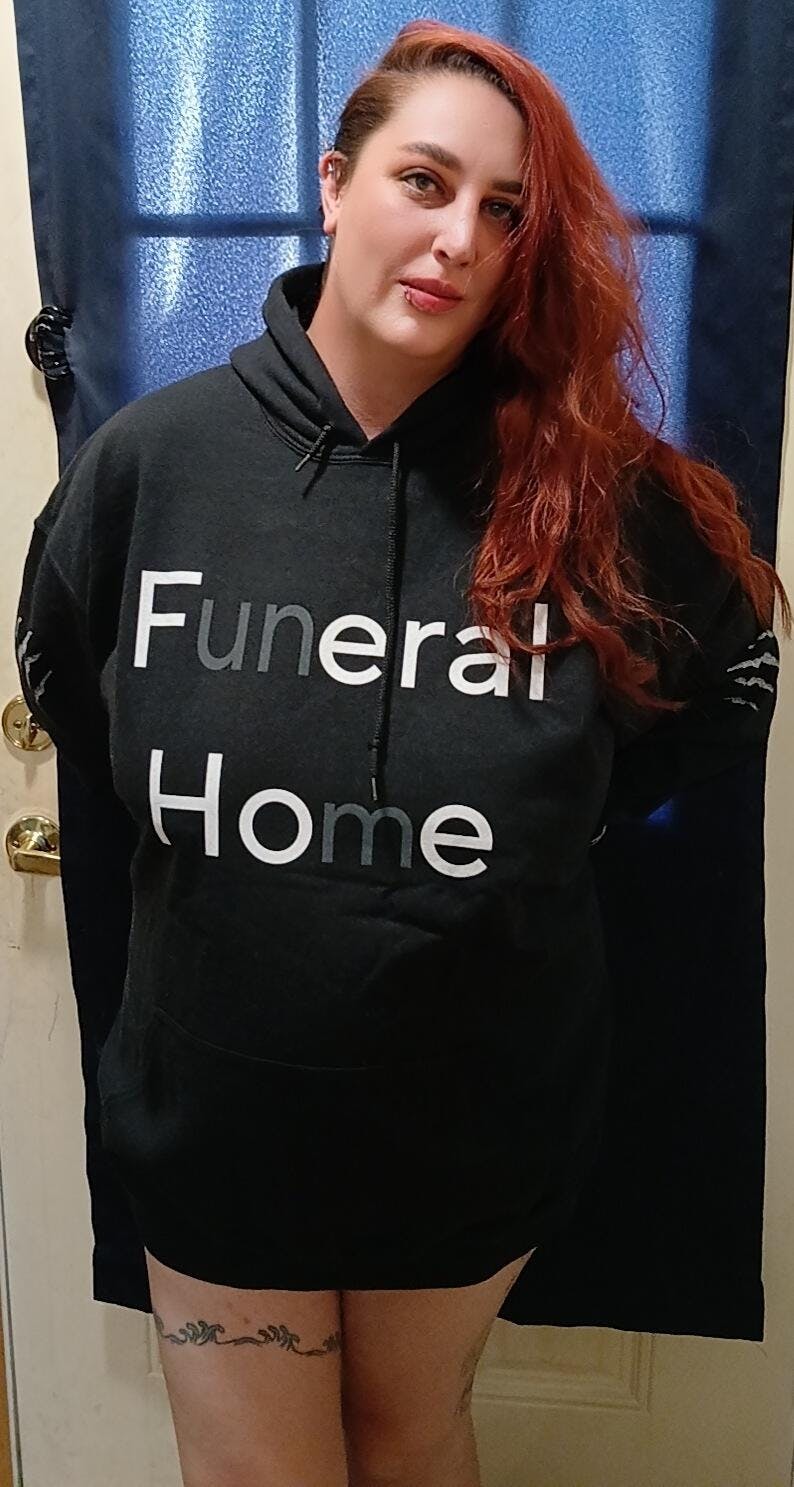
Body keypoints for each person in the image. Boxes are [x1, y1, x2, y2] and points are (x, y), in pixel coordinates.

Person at [14, 18, 789, 1487]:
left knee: (411, 1444)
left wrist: (542, 812)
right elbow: (66, 677)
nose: (457, 239)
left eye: (505, 211)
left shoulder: (592, 497)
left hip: (477, 1117)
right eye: (423, 181)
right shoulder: (155, 464)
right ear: (333, 184)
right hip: (215, 1111)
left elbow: (721, 695)